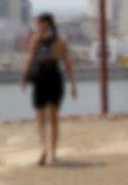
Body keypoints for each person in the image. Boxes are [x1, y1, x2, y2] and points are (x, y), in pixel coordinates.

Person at [20, 12, 77, 166]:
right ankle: (53, 153)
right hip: (54, 78)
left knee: (41, 118)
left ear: (42, 24)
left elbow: (30, 60)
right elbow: (68, 64)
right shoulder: (60, 41)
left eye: (39, 23)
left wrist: (24, 79)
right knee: (53, 119)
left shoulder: (35, 40)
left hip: (40, 80)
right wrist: (73, 85)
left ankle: (43, 148)